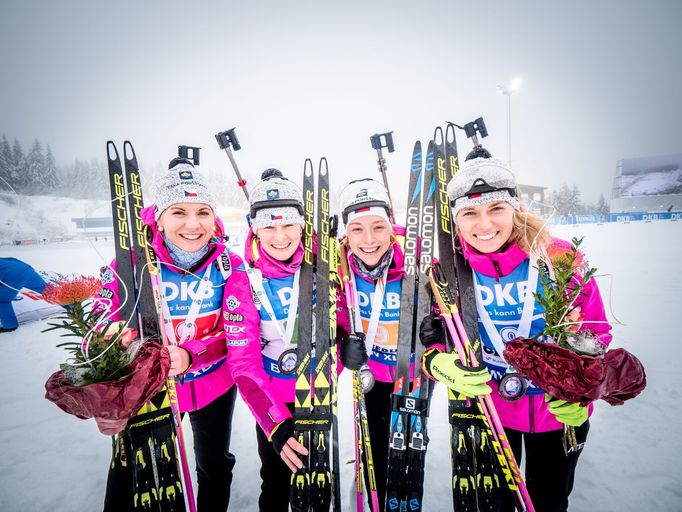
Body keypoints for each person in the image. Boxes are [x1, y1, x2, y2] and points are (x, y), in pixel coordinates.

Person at [99, 158, 296, 512]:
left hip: (213, 386)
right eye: (179, 212)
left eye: (203, 212)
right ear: (158, 217)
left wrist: (193, 354)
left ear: (214, 217)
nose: (193, 224)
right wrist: (107, 392)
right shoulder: (128, 265)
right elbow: (101, 333)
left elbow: (236, 338)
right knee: (133, 473)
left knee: (215, 466)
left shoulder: (230, 265)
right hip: (149, 389)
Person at [419, 156, 612, 512]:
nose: (485, 224)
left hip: (556, 412)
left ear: (516, 208)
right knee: (497, 504)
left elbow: (596, 333)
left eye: (496, 208)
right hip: (490, 409)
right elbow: (432, 334)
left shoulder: (557, 258)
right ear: (456, 221)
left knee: (550, 501)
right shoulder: (447, 271)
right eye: (470, 214)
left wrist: (582, 390)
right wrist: (436, 360)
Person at [243, 168, 343, 512]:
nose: (280, 236)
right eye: (268, 226)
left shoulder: (324, 269)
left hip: (318, 394)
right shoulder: (244, 280)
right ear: (255, 228)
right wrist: (274, 424)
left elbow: (337, 330)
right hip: (273, 403)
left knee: (319, 481)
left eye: (288, 224)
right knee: (274, 479)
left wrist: (344, 355)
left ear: (302, 225)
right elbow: (244, 362)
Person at [336, 178, 436, 510]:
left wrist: (441, 338)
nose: (368, 240)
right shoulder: (340, 272)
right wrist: (342, 348)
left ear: (391, 227)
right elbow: (334, 322)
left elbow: (450, 315)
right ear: (346, 234)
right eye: (357, 230)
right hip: (374, 377)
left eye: (378, 227)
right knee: (378, 447)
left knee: (410, 448)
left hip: (414, 374)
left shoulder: (418, 264)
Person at [0, 257, 48, 332]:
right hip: (27, 269)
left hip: (13, 276)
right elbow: (12, 259)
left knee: (3, 301)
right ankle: (71, 306)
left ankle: (10, 326)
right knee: (49, 291)